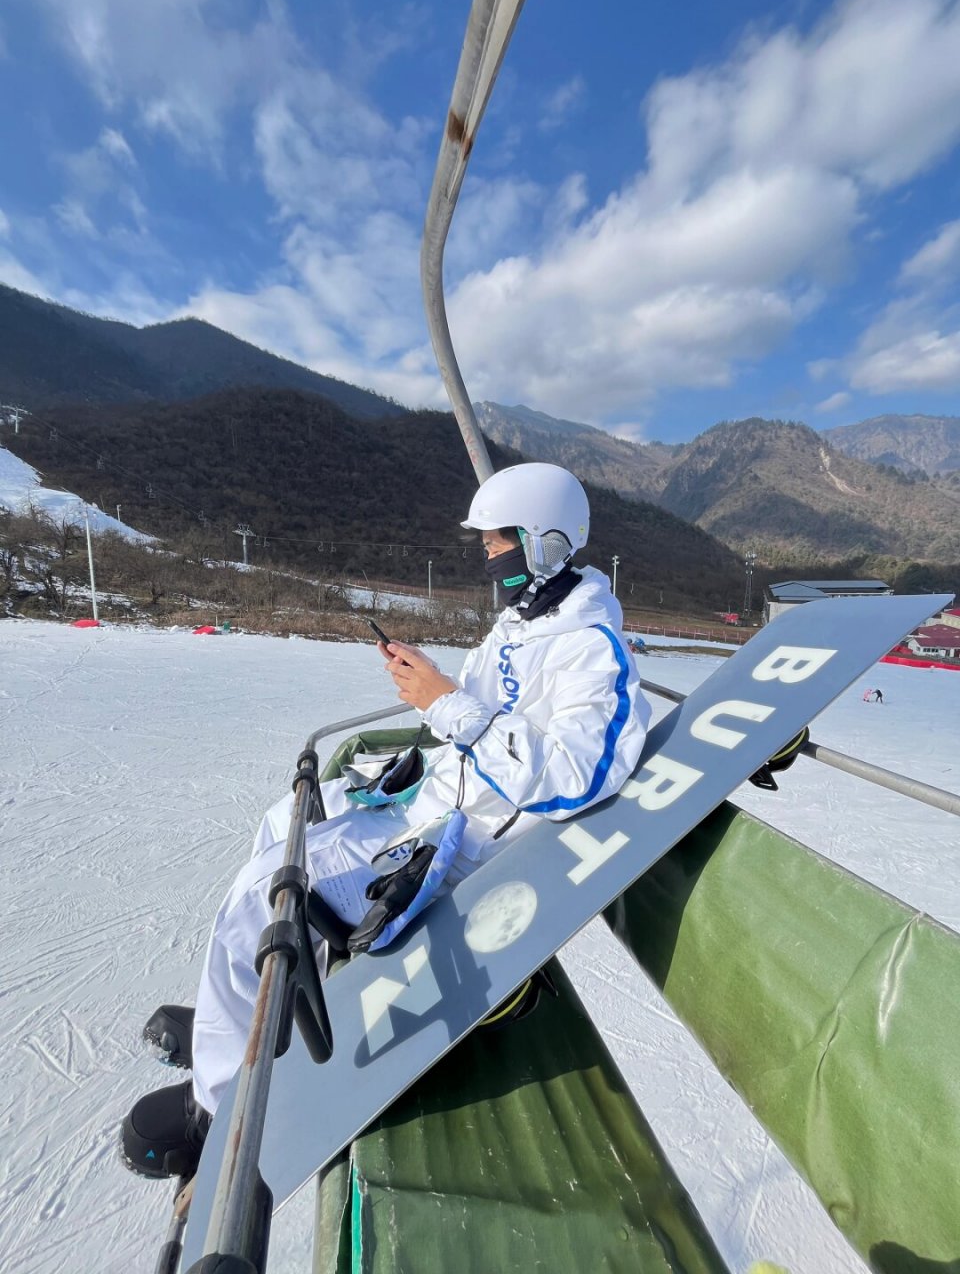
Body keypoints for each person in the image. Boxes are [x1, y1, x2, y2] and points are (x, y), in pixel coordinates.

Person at [120, 462, 651, 1180]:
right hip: (438, 802)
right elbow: (481, 717)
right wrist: (432, 690)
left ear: (545, 543)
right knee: (286, 819)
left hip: (463, 851)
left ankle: (218, 1113)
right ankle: (254, 1024)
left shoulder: (592, 650)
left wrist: (447, 704)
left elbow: (575, 777)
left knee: (260, 895)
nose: (486, 554)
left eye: (498, 540)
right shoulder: (519, 627)